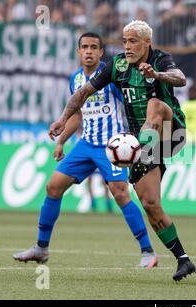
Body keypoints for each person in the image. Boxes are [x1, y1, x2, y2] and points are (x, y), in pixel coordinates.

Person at [45, 21, 195, 282]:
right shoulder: (117, 66)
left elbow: (180, 78)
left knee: (156, 104)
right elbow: (83, 93)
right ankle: (183, 259)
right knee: (150, 204)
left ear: (147, 42)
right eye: (125, 41)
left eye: (133, 41)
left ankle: (139, 148)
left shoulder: (160, 59)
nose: (127, 46)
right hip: (143, 143)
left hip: (171, 132)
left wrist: (157, 76)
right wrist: (62, 118)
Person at [13, 32, 158, 269]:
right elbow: (78, 115)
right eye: (84, 47)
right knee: (53, 187)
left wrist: (135, 136)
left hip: (112, 147)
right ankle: (41, 247)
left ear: (101, 52)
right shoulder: (75, 80)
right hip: (85, 144)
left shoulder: (112, 77)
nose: (89, 51)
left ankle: (148, 252)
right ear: (78, 51)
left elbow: (132, 103)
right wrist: (61, 141)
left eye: (93, 47)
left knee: (120, 194)